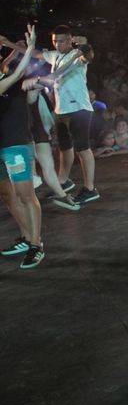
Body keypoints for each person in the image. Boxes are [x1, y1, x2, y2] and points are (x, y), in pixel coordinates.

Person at [0, 25, 49, 267]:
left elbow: (17, 77)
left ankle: (36, 244)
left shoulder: (11, 75)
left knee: (25, 195)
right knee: (8, 196)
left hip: (15, 142)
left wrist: (27, 49)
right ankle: (26, 236)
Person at [43, 26, 100, 203]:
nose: (57, 43)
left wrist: (86, 45)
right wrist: (10, 44)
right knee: (64, 147)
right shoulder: (55, 55)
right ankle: (63, 181)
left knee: (82, 148)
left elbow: (88, 56)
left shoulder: (77, 54)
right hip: (61, 109)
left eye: (61, 40)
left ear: (69, 39)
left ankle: (90, 188)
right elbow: (36, 55)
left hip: (79, 108)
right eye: (55, 40)